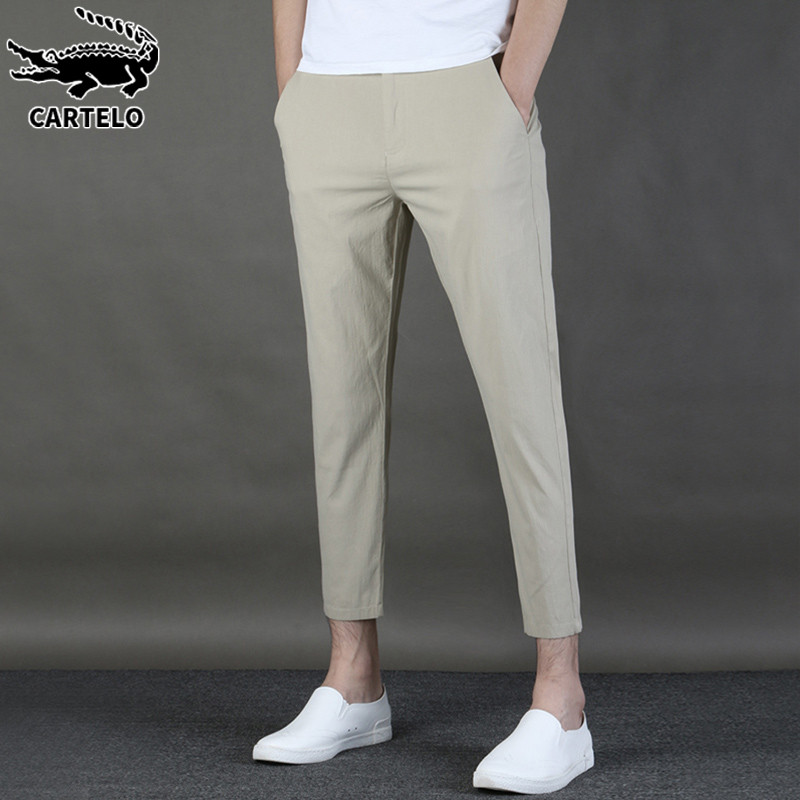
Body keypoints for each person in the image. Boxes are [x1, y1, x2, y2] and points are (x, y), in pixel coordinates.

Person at [253, 0, 593, 793]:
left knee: (523, 398)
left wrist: (509, 90)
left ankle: (561, 699)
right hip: (328, 94)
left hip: (466, 86)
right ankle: (353, 680)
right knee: (341, 402)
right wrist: (293, 89)